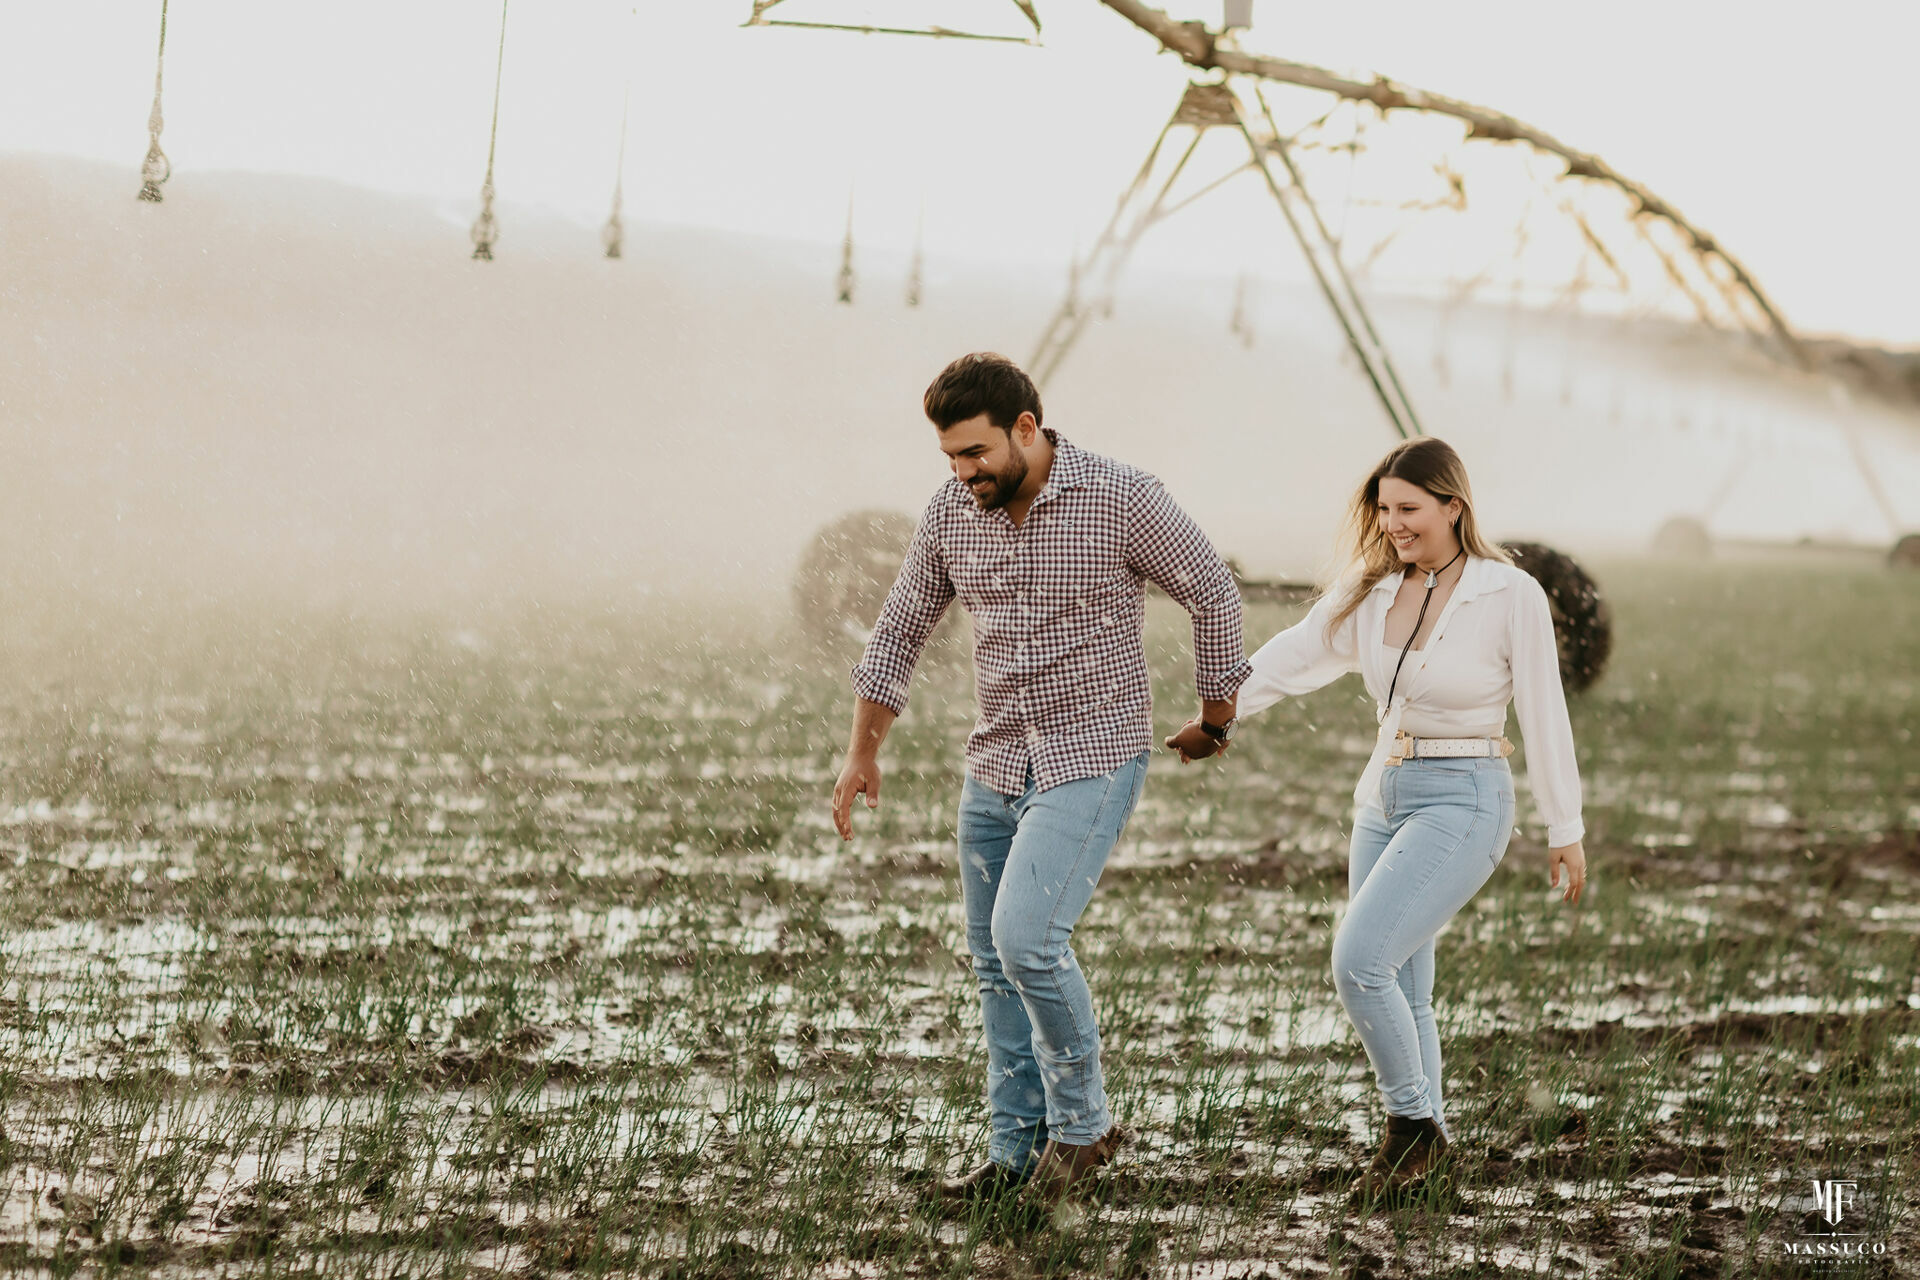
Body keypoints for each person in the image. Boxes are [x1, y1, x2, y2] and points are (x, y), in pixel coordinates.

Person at [830, 352, 1251, 1211]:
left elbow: (1213, 590)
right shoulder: (953, 511)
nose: (962, 474)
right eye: (949, 457)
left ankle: (1083, 1129)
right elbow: (901, 628)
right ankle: (1013, 1153)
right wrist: (861, 752)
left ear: (1028, 428)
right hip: (994, 763)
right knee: (993, 964)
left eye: (976, 454)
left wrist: (1215, 718)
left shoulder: (1120, 497)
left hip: (1090, 754)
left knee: (1027, 942)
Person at [1235, 436, 1588, 1206]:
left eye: (1409, 509)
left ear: (1453, 507)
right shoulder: (1371, 589)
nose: (1393, 524)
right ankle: (1427, 1159)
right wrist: (1223, 709)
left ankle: (1411, 1130)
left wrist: (1565, 825)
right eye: (1384, 509)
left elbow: (1543, 707)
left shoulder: (1509, 593)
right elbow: (1296, 654)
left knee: (1358, 962)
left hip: (1466, 797)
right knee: (1402, 983)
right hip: (1382, 797)